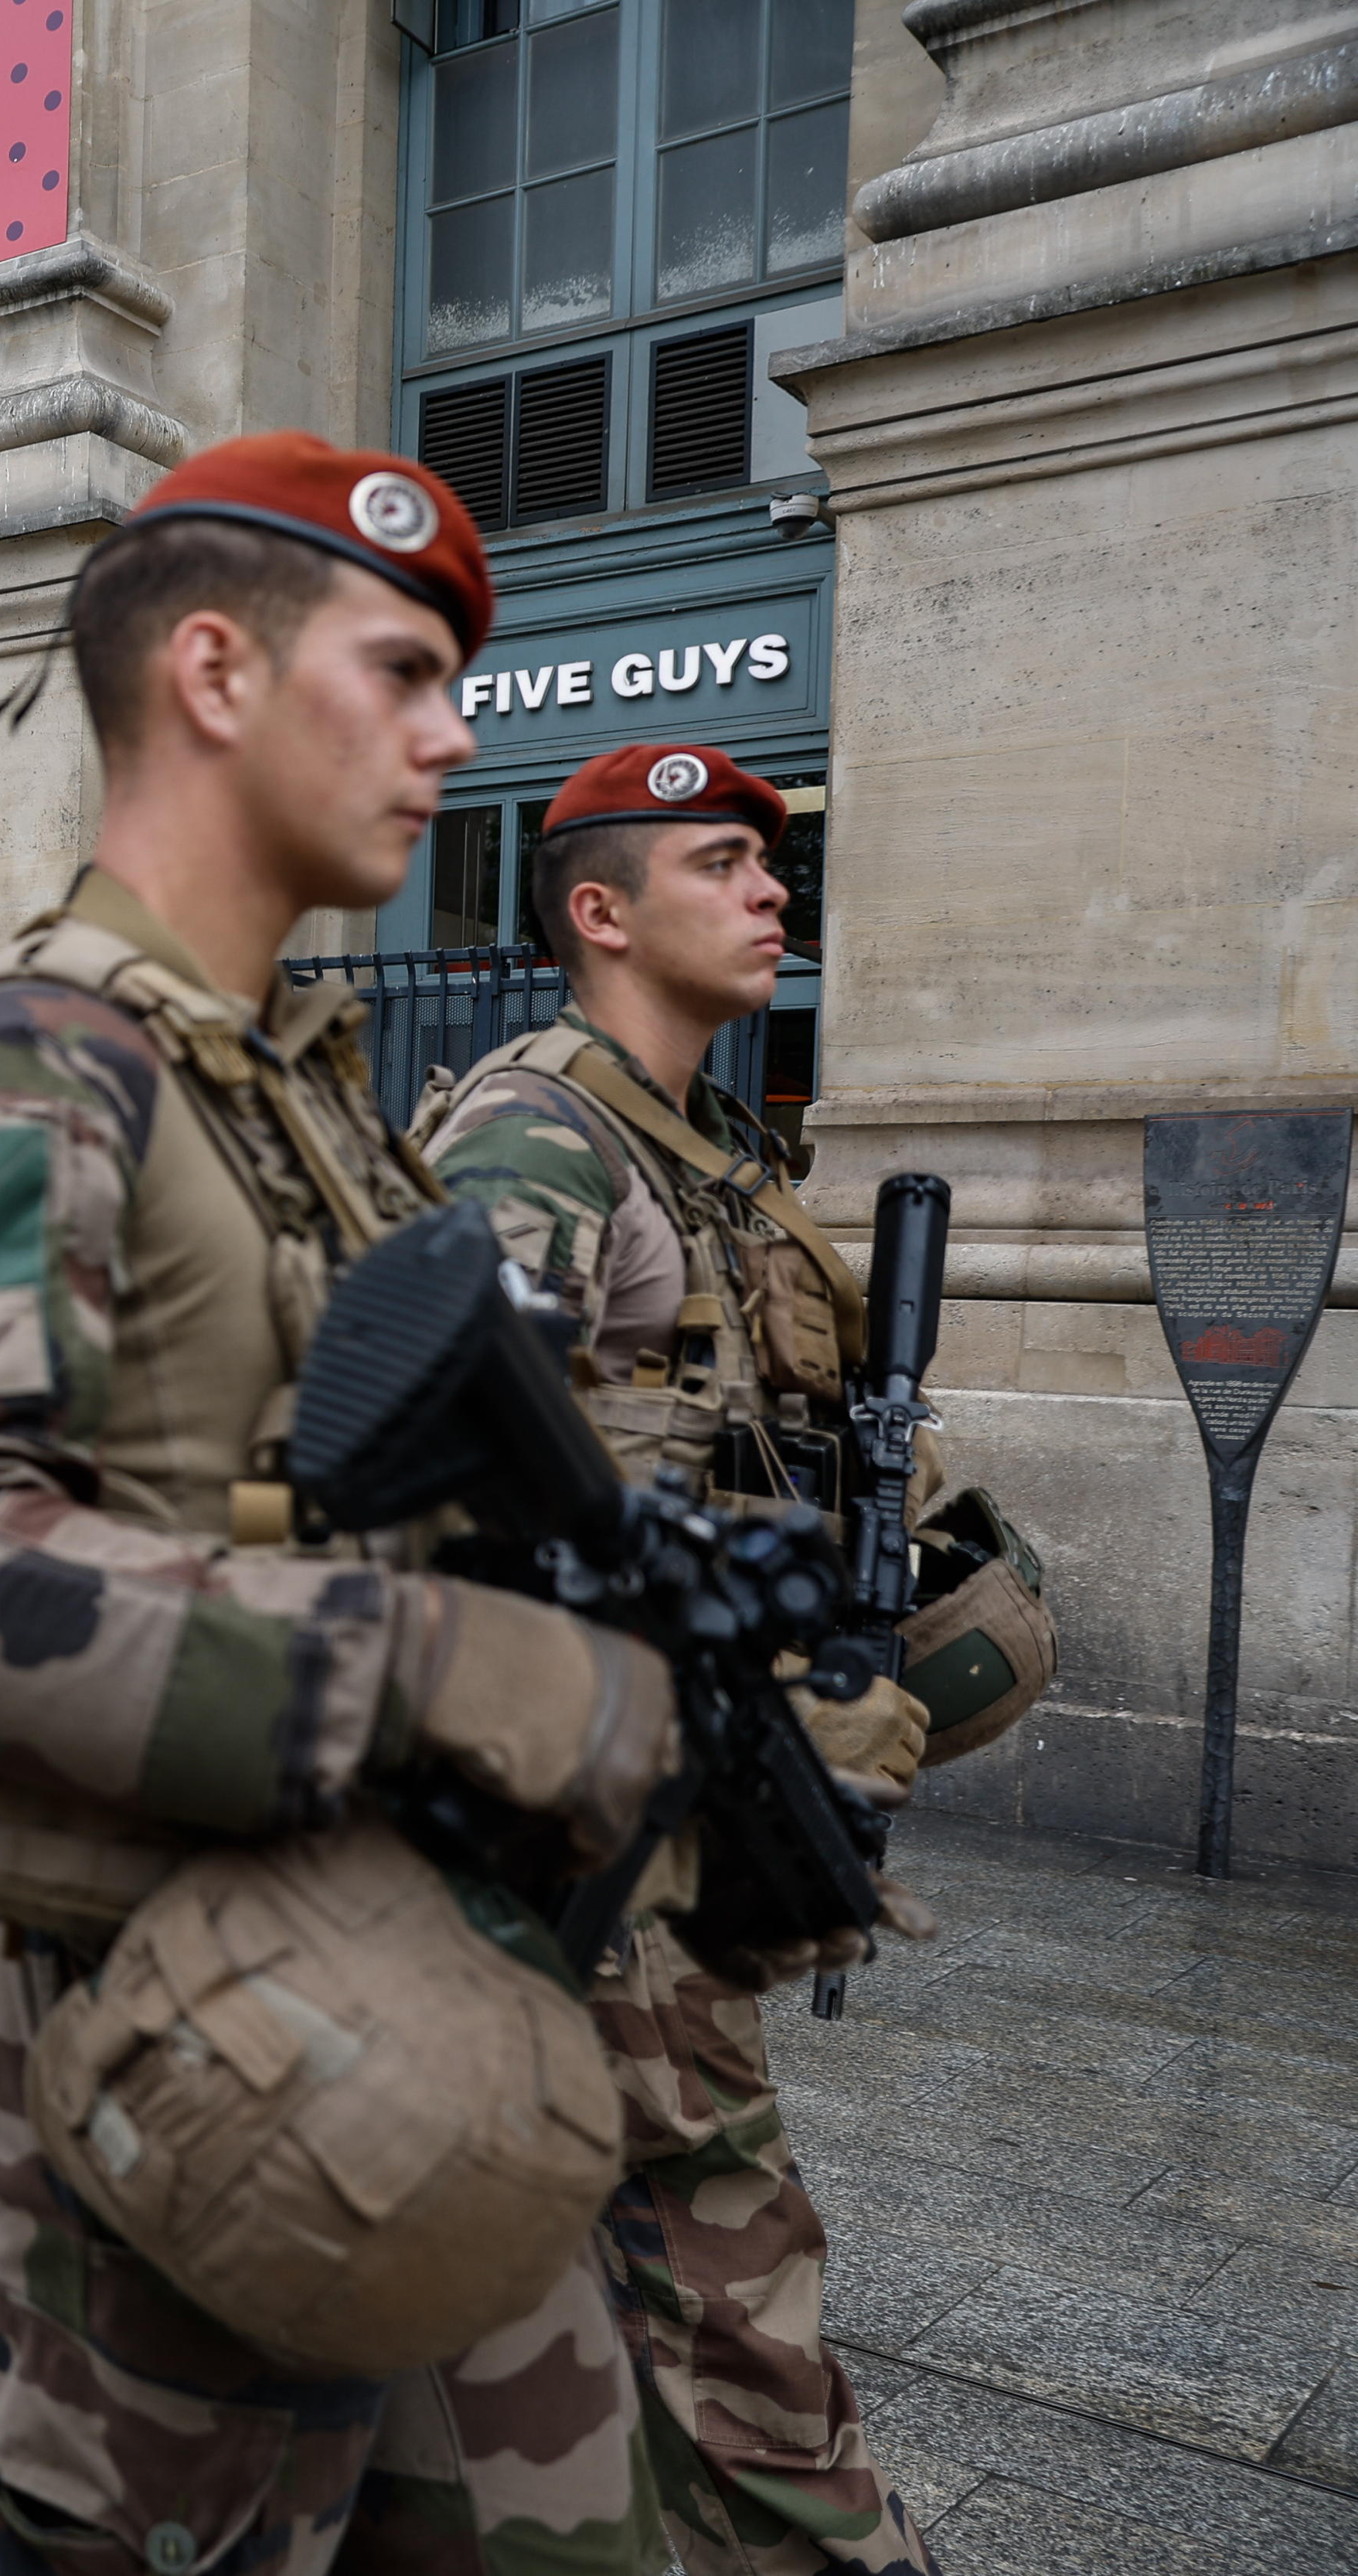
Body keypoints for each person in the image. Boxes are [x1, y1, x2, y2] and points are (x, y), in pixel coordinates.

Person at [0, 435, 747, 2571]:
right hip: (186, 2067)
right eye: (403, 669)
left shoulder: (301, 1094)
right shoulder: (24, 1065)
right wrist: (423, 1659)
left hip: (404, 2016)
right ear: (215, 670)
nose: (450, 733)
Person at [420, 741, 1051, 2576]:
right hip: (582, 1839)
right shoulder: (541, 1135)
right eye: (722, 861)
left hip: (673, 1813)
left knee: (547, 2324)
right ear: (599, 912)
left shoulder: (709, 1153)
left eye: (774, 864)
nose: (773, 889)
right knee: (730, 2295)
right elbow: (440, 1496)